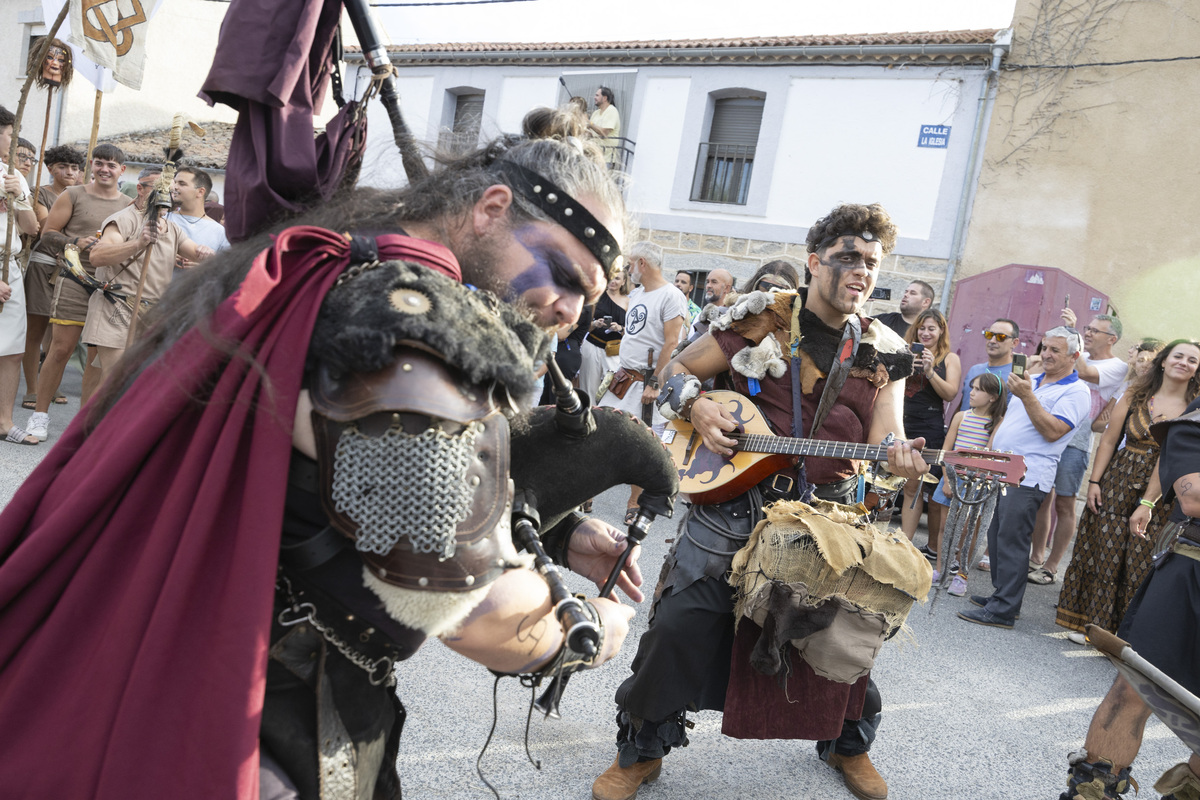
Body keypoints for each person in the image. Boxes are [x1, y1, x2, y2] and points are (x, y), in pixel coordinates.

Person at [0, 122, 650, 799]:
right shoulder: (413, 330)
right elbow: (470, 605)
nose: (573, 311)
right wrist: (586, 630)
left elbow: (332, 474)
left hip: (157, 647)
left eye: (591, 296)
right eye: (567, 275)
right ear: (490, 209)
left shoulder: (330, 260)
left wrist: (559, 533)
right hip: (258, 723)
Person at [591, 203, 928, 800]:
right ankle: (641, 747)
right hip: (733, 506)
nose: (861, 271)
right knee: (679, 623)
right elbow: (675, 371)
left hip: (827, 518)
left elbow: (887, 437)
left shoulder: (883, 350)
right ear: (815, 260)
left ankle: (847, 743)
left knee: (850, 633)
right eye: (848, 257)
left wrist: (899, 463)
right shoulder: (765, 317)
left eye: (872, 262)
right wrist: (697, 405)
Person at [1058, 396, 1200, 800]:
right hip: (1191, 570)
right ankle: (1092, 791)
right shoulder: (1192, 424)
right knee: (1138, 689)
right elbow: (1194, 499)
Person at [1055, 339, 1200, 642]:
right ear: (1163, 361)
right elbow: (1108, 439)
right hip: (1118, 478)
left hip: (1162, 489)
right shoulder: (1136, 393)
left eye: (1192, 360)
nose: (1183, 362)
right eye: (1178, 356)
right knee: (1105, 552)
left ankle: (1131, 635)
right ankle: (1096, 628)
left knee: (1141, 560)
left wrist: (1147, 502)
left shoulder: (1194, 405)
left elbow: (1168, 457)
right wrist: (1094, 482)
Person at [958, 326, 1091, 629]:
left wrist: (1028, 395)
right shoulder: (1037, 380)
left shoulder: (1077, 391)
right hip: (1005, 469)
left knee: (1012, 540)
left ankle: (1004, 610)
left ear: (1075, 356)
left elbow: (1054, 431)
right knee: (998, 536)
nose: (1046, 354)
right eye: (1045, 347)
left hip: (1029, 475)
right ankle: (1004, 598)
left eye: (1055, 350)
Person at [24, 143, 133, 441]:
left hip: (110, 287)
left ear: (121, 170)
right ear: (91, 166)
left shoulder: (130, 204)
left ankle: (84, 426)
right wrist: (75, 241)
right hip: (73, 278)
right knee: (60, 350)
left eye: (111, 165)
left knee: (97, 360)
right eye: (99, 163)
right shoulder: (72, 194)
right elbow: (47, 235)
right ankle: (39, 417)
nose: (104, 169)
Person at [1028, 313, 1128, 586]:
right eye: (1087, 328)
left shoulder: (1117, 366)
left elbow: (1083, 372)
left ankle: (1051, 565)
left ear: (1112, 339)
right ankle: (1036, 556)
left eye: (1095, 330)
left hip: (1076, 442)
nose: (1089, 333)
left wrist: (1071, 334)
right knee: (1042, 498)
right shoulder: (1075, 355)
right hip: (1048, 434)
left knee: (1064, 502)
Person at [597, 241, 688, 521]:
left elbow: (672, 342)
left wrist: (656, 384)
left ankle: (635, 502)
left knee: (643, 443)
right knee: (601, 428)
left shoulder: (671, 296)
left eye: (630, 263)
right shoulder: (637, 294)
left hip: (647, 381)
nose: (627, 269)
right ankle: (584, 492)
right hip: (624, 377)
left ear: (642, 264)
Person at [83, 193, 217, 381]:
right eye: (158, 190)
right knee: (116, 377)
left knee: (137, 379)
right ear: (141, 190)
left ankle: (94, 411)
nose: (164, 197)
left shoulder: (172, 228)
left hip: (152, 312)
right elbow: (96, 257)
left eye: (169, 192)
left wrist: (206, 253)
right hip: (116, 305)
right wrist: (138, 244)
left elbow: (195, 252)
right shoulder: (124, 219)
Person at [927, 372, 1007, 593]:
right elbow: (947, 450)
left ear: (992, 397)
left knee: (968, 530)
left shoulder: (998, 422)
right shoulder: (961, 416)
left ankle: (962, 574)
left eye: (979, 389)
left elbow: (990, 454)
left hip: (977, 483)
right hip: (952, 478)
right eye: (972, 387)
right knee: (946, 527)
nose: (971, 392)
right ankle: (941, 570)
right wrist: (947, 480)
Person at [21, 144, 85, 411]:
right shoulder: (39, 194)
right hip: (44, 267)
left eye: (74, 167)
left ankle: (51, 384)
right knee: (35, 331)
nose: (69, 172)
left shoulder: (82, 196)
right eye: (63, 167)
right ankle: (33, 390)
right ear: (50, 169)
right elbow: (50, 229)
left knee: (57, 333)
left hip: (69, 271)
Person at [898, 308, 961, 562]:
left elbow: (950, 394)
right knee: (898, 485)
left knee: (919, 487)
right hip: (902, 423)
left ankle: (911, 544)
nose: (925, 333)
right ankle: (900, 542)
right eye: (922, 328)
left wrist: (929, 371)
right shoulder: (905, 351)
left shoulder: (949, 358)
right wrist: (904, 367)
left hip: (929, 427)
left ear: (941, 331)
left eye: (931, 328)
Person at [0, 105, 41, 445]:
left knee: (12, 349)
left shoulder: (14, 174)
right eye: (11, 136)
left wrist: (20, 194)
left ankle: (4, 421)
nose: (15, 142)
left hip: (9, 265)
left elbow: (31, 228)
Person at [579, 268, 630, 401]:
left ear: (624, 282)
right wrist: (596, 324)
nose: (613, 281)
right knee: (588, 388)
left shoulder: (628, 302)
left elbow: (631, 332)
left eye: (617, 278)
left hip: (614, 351)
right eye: (612, 277)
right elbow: (584, 326)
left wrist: (619, 328)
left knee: (611, 390)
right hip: (592, 346)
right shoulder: (597, 297)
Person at [958, 318, 1020, 412]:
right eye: (989, 335)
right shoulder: (974, 370)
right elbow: (963, 404)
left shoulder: (1016, 376)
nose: (992, 341)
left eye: (1001, 337)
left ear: (1014, 343)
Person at [167, 166, 231, 257]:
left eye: (182, 184)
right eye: (175, 183)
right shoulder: (163, 219)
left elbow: (226, 267)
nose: (174, 187)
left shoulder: (219, 232)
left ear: (200, 192)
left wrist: (203, 265)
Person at [590, 87, 622, 168]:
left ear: (604, 98)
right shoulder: (596, 113)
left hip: (605, 160)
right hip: (593, 157)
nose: (594, 97)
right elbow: (590, 132)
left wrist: (589, 123)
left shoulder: (612, 111)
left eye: (597, 95)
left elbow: (604, 133)